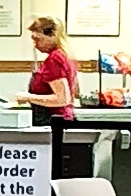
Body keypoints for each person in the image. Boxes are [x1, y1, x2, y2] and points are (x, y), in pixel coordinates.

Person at [18, 15, 93, 180]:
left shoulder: (54, 60)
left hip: (53, 121)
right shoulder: (64, 56)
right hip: (59, 120)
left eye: (38, 39)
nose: (35, 45)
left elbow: (62, 98)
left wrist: (28, 97)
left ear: (52, 36)